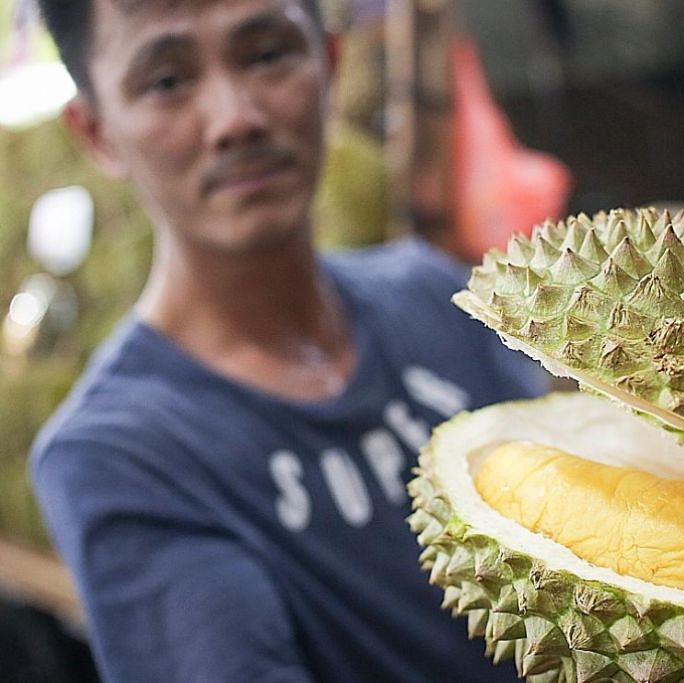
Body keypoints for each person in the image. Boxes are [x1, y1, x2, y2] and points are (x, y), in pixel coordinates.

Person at [29, 0, 545, 681]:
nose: (235, 117)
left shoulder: (439, 298)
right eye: (166, 82)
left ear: (328, 63)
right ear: (96, 130)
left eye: (268, 54)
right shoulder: (118, 455)